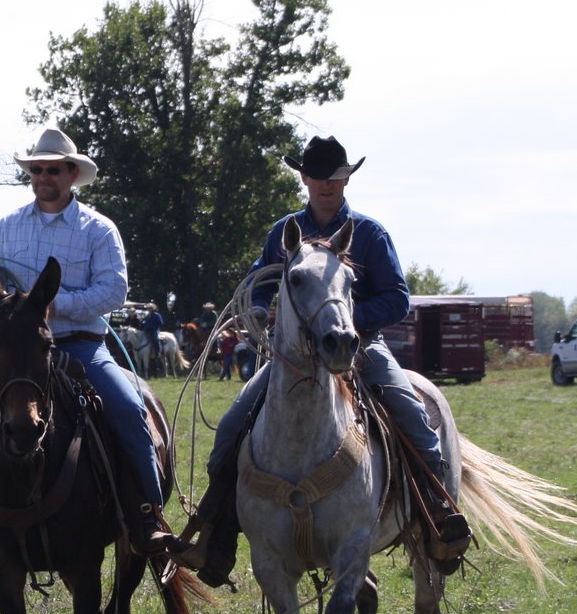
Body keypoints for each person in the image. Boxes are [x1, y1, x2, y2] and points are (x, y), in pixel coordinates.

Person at [174, 135, 472, 586]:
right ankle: (217, 532)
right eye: (318, 176)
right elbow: (259, 281)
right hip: (295, 357)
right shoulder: (284, 232)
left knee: (413, 415)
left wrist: (342, 323)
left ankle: (438, 513)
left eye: (336, 177)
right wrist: (258, 307)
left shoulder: (370, 234)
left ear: (346, 179)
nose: (327, 184)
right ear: (304, 178)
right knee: (233, 425)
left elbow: (397, 299)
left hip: (361, 347)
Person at [0, 127, 182, 566]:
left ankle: (147, 514)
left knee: (129, 409)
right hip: (20, 353)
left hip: (82, 347)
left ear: (72, 174)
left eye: (53, 170)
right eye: (37, 169)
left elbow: (114, 290)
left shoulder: (98, 230)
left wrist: (58, 305)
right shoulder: (7, 228)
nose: (43, 177)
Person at [141, 304, 164, 376]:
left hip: (154, 330)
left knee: (155, 338)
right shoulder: (148, 316)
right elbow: (145, 323)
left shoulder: (156, 315)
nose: (149, 309)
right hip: (147, 330)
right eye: (148, 308)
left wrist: (154, 327)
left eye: (150, 308)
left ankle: (157, 350)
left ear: (153, 308)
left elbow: (160, 323)